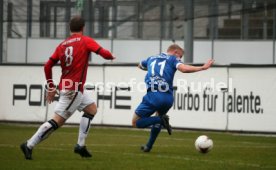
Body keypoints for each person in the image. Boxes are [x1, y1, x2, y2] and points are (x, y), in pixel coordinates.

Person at [20, 16, 115, 160]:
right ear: (83, 28)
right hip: (73, 90)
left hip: (71, 87)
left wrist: (51, 87)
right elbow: (104, 54)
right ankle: (29, 144)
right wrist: (111, 56)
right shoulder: (85, 40)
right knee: (58, 120)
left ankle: (80, 146)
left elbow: (47, 66)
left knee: (91, 109)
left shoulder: (62, 45)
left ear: (70, 28)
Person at [132, 44, 214, 152]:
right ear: (175, 52)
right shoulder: (173, 59)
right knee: (159, 117)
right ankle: (149, 146)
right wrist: (202, 68)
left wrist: (150, 69)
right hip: (168, 98)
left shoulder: (151, 58)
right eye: (180, 56)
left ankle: (161, 120)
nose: (180, 59)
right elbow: (183, 69)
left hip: (153, 95)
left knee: (136, 122)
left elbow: (140, 65)